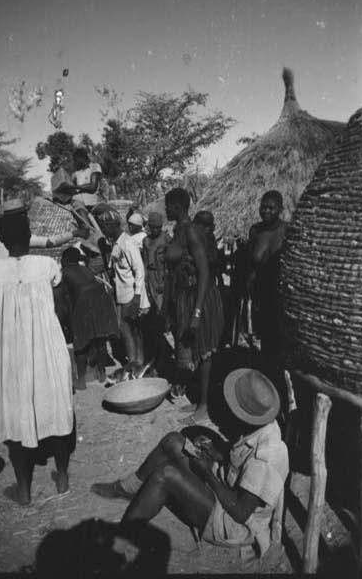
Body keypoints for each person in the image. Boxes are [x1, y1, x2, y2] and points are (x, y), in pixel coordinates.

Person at [91, 369, 289, 568]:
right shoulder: (260, 424)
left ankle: (119, 544)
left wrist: (207, 474)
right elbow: (239, 460)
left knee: (165, 474)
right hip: (225, 487)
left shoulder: (264, 459)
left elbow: (241, 513)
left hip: (233, 524)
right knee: (173, 441)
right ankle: (128, 488)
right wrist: (216, 453)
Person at [0, 213, 74, 505]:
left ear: (2, 239)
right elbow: (63, 309)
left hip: (9, 353)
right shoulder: (47, 266)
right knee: (54, 405)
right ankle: (63, 477)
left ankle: (24, 490)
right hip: (45, 347)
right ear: (29, 235)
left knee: (16, 412)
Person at [163, 188, 224, 423]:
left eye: (168, 206)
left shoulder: (191, 232)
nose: (166, 210)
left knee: (204, 351)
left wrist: (197, 313)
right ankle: (200, 399)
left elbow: (205, 273)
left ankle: (206, 406)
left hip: (200, 298)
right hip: (185, 298)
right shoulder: (179, 232)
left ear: (177, 207)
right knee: (195, 352)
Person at [93, 207, 150, 374]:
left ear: (112, 226)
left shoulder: (128, 243)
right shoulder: (117, 244)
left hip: (131, 294)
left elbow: (139, 271)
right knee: (126, 328)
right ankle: (134, 361)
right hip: (122, 293)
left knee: (130, 329)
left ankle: (136, 361)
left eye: (104, 228)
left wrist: (137, 297)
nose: (104, 231)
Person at [246, 191, 288, 396]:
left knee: (282, 345)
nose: (266, 211)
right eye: (263, 206)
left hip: (283, 299)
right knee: (265, 344)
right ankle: (267, 387)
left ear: (280, 209)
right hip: (261, 297)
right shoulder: (255, 231)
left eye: (271, 207)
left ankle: (282, 389)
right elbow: (251, 266)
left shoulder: (288, 231)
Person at [60, 247, 119, 390]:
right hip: (100, 300)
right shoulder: (85, 270)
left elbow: (67, 299)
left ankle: (81, 380)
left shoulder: (65, 272)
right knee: (99, 338)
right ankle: (102, 372)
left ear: (66, 260)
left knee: (80, 341)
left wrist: (68, 320)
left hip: (83, 301)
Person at [142, 211, 171, 373]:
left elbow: (169, 263)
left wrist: (164, 281)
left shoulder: (166, 239)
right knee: (152, 314)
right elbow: (145, 262)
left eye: (157, 228)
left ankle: (163, 353)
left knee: (161, 314)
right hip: (151, 278)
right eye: (152, 228)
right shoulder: (146, 241)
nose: (154, 230)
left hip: (161, 279)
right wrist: (146, 283)